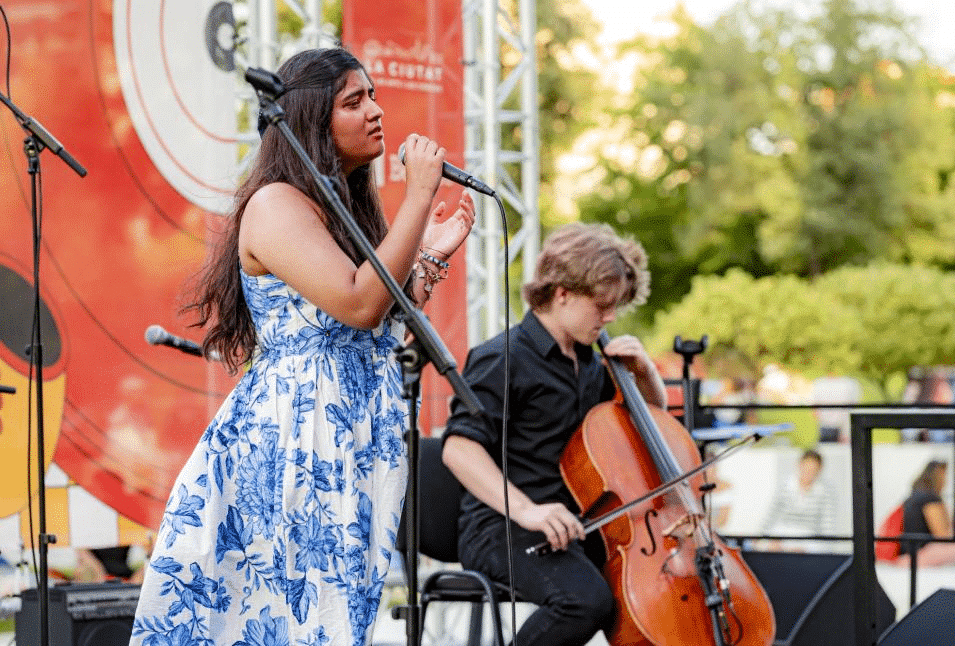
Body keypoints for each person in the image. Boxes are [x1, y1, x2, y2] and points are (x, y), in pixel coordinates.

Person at [129, 47, 475, 646]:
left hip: (349, 432)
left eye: (372, 96)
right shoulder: (275, 205)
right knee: (295, 615)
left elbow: (377, 299)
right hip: (297, 434)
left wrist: (433, 251)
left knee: (336, 611)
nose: (375, 111)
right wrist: (418, 197)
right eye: (353, 101)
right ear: (314, 119)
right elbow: (359, 302)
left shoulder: (339, 205)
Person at [441, 222, 667, 646]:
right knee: (583, 602)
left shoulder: (591, 362)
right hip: (504, 525)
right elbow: (458, 449)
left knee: (649, 597)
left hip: (577, 525)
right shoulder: (502, 358)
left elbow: (651, 430)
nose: (611, 317)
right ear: (562, 293)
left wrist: (645, 375)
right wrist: (529, 511)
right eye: (601, 305)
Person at [760, 448, 836, 552]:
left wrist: (806, 548)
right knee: (763, 545)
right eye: (805, 468)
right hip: (783, 534)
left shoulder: (826, 491)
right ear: (799, 465)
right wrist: (763, 537)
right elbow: (770, 516)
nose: (808, 473)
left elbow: (828, 526)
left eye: (812, 470)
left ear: (819, 470)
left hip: (810, 539)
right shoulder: (785, 485)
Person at [900, 460, 955, 566]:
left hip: (910, 553)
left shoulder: (915, 496)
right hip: (919, 554)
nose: (946, 481)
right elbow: (942, 535)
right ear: (937, 475)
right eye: (944, 475)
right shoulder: (929, 498)